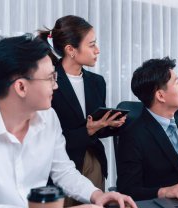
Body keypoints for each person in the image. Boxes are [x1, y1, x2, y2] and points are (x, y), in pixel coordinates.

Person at [0, 34, 136, 208]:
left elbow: (63, 170)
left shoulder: (48, 117)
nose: (56, 85)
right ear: (21, 87)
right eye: (50, 78)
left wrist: (97, 195)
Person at [38, 15, 125, 196]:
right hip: (58, 167)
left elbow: (96, 125)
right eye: (92, 45)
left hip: (94, 161)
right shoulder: (47, 81)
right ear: (71, 49)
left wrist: (110, 124)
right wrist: (89, 130)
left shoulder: (97, 82)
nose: (98, 50)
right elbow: (46, 137)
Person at [116, 57, 178, 201]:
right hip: (156, 206)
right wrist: (165, 192)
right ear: (160, 95)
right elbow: (128, 190)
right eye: (176, 82)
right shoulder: (133, 135)